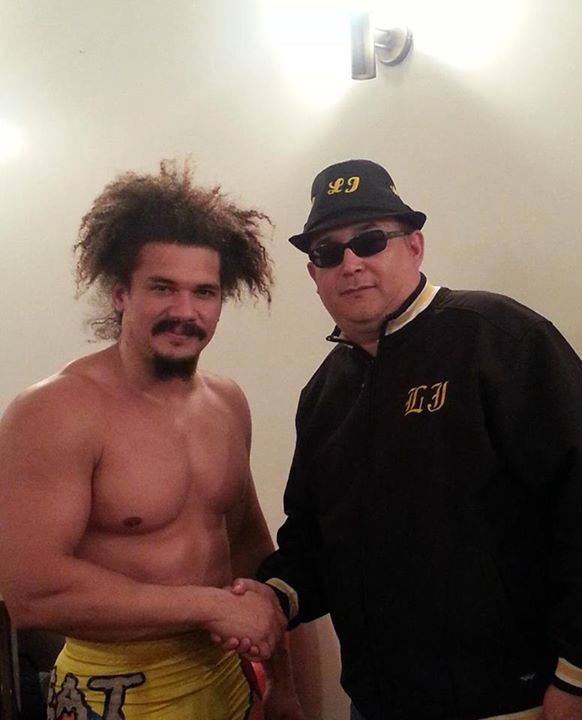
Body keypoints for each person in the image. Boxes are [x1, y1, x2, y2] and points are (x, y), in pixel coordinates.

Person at [230, 159, 582, 720]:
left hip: (515, 700)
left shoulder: (500, 338)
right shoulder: (323, 394)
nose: (351, 263)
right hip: (377, 703)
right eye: (327, 252)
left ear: (414, 246)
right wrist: (272, 596)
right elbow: (315, 541)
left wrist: (576, 676)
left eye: (370, 240)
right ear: (314, 275)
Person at [0, 160, 302, 720]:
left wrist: (283, 688)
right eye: (162, 288)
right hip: (113, 693)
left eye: (204, 292)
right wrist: (208, 607)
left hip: (229, 681)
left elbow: (248, 548)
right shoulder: (53, 412)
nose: (185, 311)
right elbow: (31, 591)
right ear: (120, 293)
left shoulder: (227, 402)